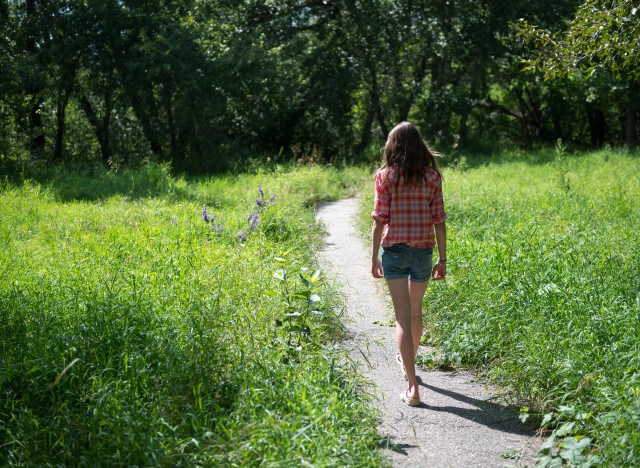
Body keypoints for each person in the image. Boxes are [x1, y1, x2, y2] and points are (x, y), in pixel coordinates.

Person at [371, 121, 447, 406]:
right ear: (419, 146)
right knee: (416, 312)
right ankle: (409, 362)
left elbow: (380, 221)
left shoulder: (385, 176)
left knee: (402, 316)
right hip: (423, 253)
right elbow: (439, 221)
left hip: (395, 251)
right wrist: (443, 259)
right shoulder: (432, 177)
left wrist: (373, 258)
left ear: (393, 146)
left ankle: (413, 387)